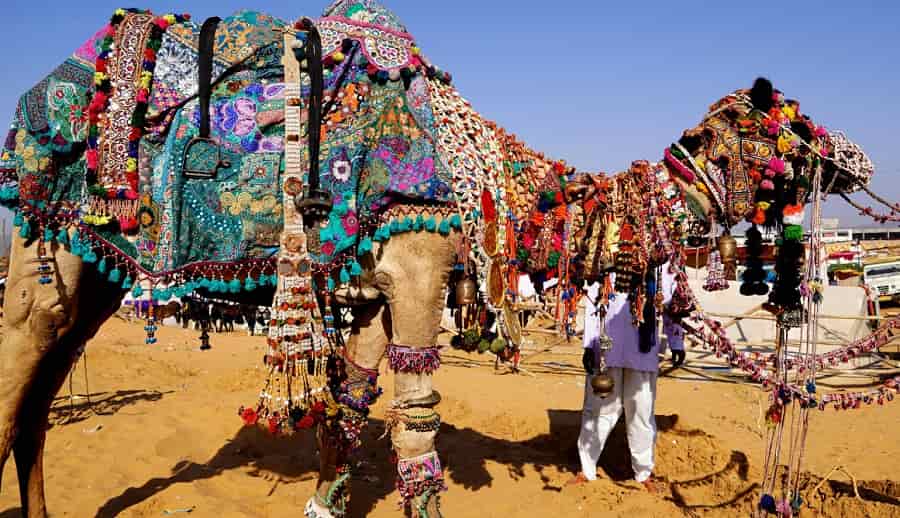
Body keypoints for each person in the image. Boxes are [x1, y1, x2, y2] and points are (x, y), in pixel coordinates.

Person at [570, 262, 686, 490]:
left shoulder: (661, 259)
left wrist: (676, 342)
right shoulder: (607, 253)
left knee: (641, 411)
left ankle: (643, 473)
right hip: (605, 349)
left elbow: (673, 304)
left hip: (643, 350)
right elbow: (594, 301)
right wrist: (588, 344)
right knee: (598, 409)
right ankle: (587, 468)